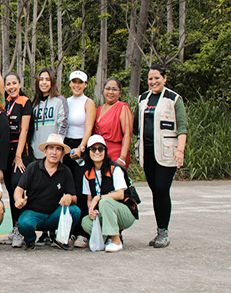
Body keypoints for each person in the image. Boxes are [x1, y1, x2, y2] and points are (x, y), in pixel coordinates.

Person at [0, 43, 33, 248]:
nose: (10, 86)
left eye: (14, 83)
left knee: (19, 191)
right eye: (8, 84)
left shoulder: (24, 102)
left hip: (21, 155)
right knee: (11, 192)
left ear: (20, 84)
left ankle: (24, 231)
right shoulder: (6, 102)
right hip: (7, 156)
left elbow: (25, 130)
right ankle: (16, 230)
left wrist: (19, 156)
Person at [133, 64, 187, 248]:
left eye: (157, 78)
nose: (153, 82)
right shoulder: (142, 99)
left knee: (162, 190)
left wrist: (180, 150)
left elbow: (182, 127)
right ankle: (159, 230)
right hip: (148, 154)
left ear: (164, 78)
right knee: (156, 191)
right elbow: (135, 126)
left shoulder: (174, 99)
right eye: (150, 79)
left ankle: (163, 232)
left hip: (167, 153)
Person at [14, 133, 81, 250]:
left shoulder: (65, 171)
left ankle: (61, 239)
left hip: (55, 214)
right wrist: (18, 199)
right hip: (34, 214)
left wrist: (69, 198)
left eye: (58, 149)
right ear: (45, 151)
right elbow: (19, 189)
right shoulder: (33, 167)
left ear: (62, 154)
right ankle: (30, 241)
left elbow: (74, 198)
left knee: (75, 211)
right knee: (24, 223)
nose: (54, 152)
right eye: (51, 148)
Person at [80, 135, 136, 252]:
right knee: (86, 222)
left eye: (101, 149)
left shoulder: (114, 169)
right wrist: (92, 210)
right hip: (104, 212)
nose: (97, 152)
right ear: (88, 152)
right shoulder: (88, 174)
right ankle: (107, 238)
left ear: (105, 151)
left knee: (105, 201)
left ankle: (116, 240)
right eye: (93, 149)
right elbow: (89, 200)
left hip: (125, 212)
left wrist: (99, 198)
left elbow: (120, 194)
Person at [63, 70, 96, 243]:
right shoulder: (65, 101)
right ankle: (69, 231)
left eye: (80, 82)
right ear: (70, 83)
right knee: (68, 188)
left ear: (85, 84)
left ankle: (83, 232)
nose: (76, 85)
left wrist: (81, 148)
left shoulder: (88, 102)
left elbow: (89, 128)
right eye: (73, 82)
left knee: (81, 189)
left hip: (81, 146)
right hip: (66, 147)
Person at [30, 68, 69, 160]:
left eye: (47, 79)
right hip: (36, 153)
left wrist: (56, 148)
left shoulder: (60, 100)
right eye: (41, 79)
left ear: (52, 82)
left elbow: (63, 125)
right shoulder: (34, 104)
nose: (44, 82)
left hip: (53, 155)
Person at [94, 77, 133, 168]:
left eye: (114, 89)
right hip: (99, 154)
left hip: (116, 155)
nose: (110, 92)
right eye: (108, 89)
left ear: (119, 93)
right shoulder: (99, 109)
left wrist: (122, 158)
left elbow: (127, 135)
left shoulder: (122, 107)